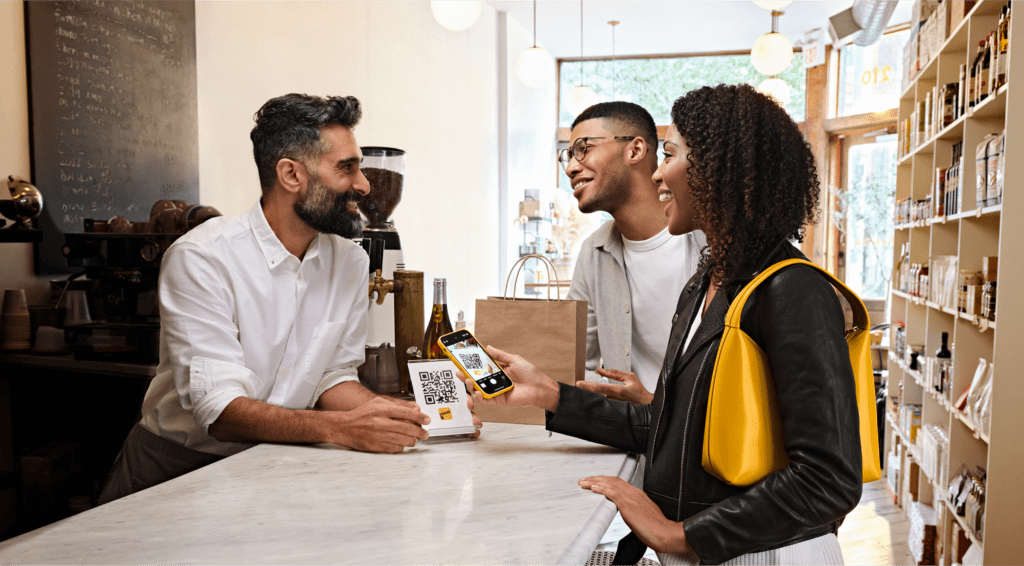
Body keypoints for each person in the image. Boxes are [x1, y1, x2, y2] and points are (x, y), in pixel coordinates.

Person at [465, 84, 862, 565]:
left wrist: (677, 536)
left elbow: (827, 480)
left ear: (719, 169)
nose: (657, 172)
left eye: (670, 153)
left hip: (767, 554)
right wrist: (549, 395)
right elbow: (666, 424)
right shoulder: (705, 284)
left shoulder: (791, 289)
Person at [99, 94, 449, 504]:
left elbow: (331, 377)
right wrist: (340, 428)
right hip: (175, 469)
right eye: (347, 167)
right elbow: (220, 410)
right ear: (290, 174)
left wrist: (411, 418)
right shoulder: (202, 257)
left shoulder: (350, 261)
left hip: (273, 464)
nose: (364, 185)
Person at [562, 101, 705, 405]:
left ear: (636, 151)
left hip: (698, 441)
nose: (570, 167)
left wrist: (652, 403)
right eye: (568, 156)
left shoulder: (707, 240)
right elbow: (574, 363)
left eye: (583, 149)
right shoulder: (594, 251)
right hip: (628, 443)